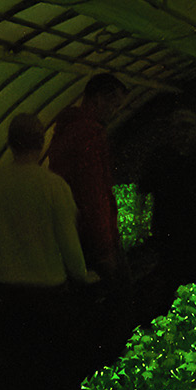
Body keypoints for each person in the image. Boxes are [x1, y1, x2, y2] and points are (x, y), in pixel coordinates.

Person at [0, 113, 98, 362]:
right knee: (44, 370)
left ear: (9, 143)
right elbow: (68, 242)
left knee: (9, 370)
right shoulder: (53, 185)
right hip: (44, 297)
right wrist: (82, 276)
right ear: (41, 144)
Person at [46, 73, 130, 288]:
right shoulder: (89, 134)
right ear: (98, 98)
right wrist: (105, 250)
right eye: (114, 104)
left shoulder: (65, 131)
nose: (115, 112)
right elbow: (94, 196)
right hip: (90, 242)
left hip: (70, 237)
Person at [135, 109, 196, 285]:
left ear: (195, 130)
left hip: (195, 225)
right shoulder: (159, 156)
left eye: (189, 127)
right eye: (179, 127)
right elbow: (142, 190)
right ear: (171, 129)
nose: (184, 132)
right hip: (165, 227)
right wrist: (139, 222)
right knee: (169, 271)